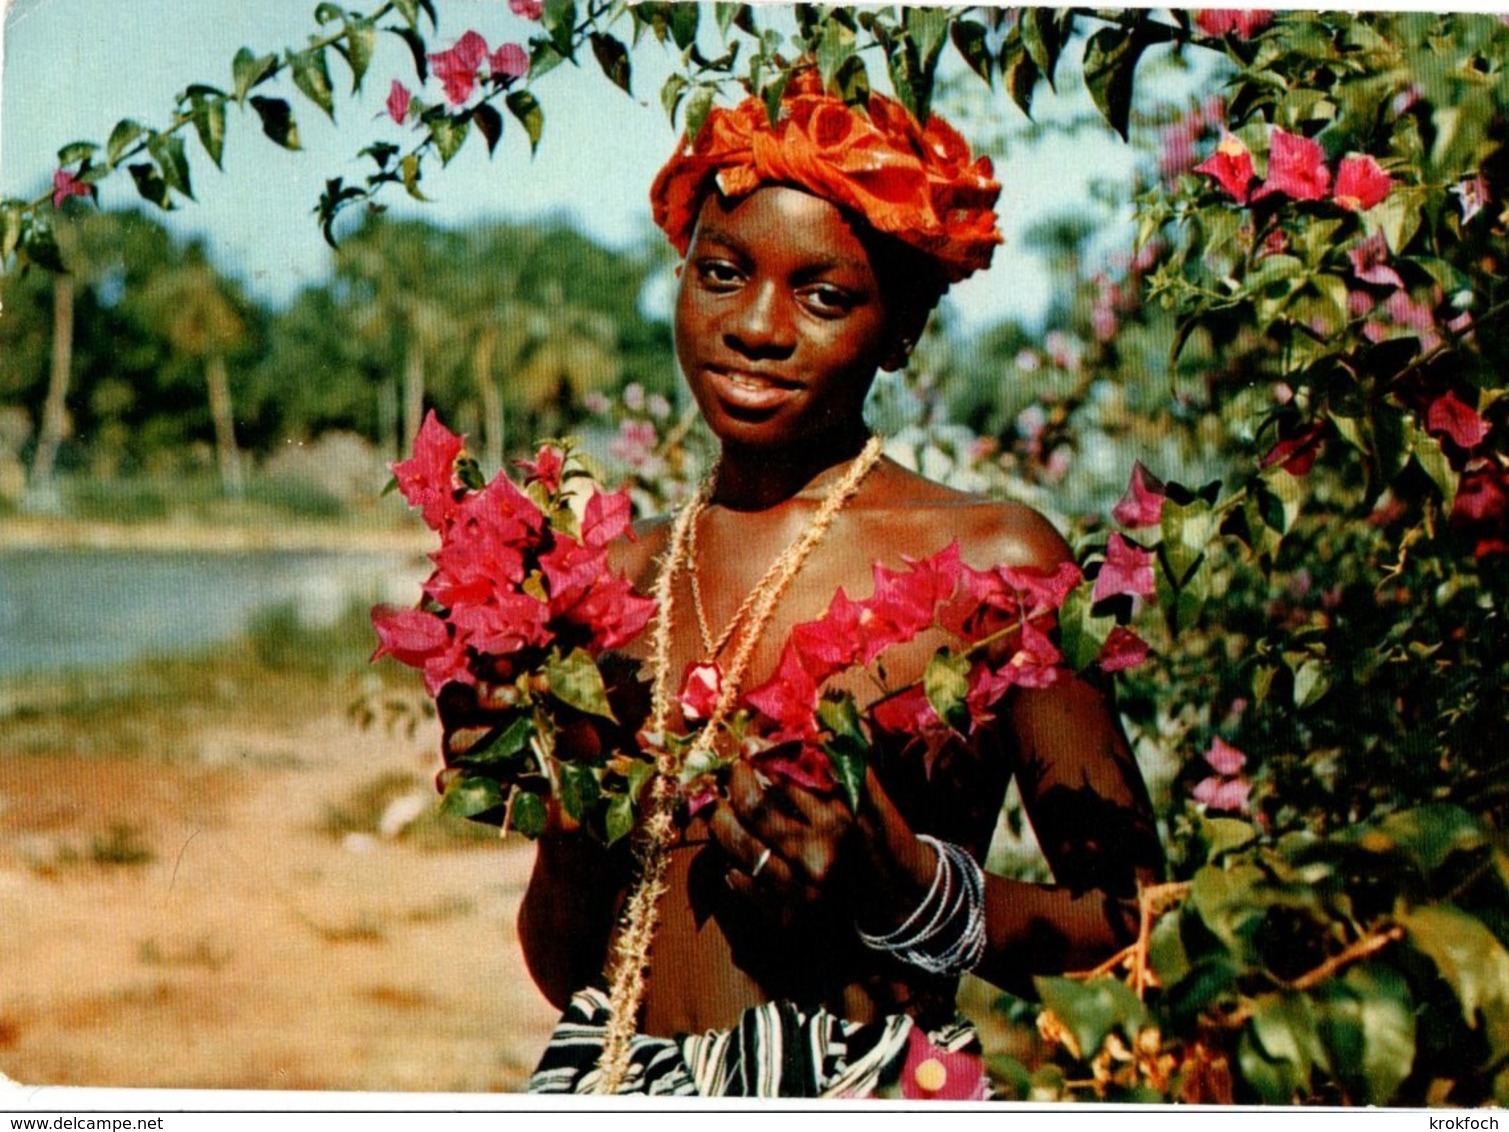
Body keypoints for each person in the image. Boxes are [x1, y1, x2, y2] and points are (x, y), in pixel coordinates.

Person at [468, 71, 1164, 1098]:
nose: (757, 325)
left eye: (824, 295)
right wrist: (561, 783)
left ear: (901, 329)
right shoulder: (612, 580)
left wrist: (912, 892)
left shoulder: (993, 562)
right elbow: (573, 969)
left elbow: (1144, 933)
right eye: (721, 273)